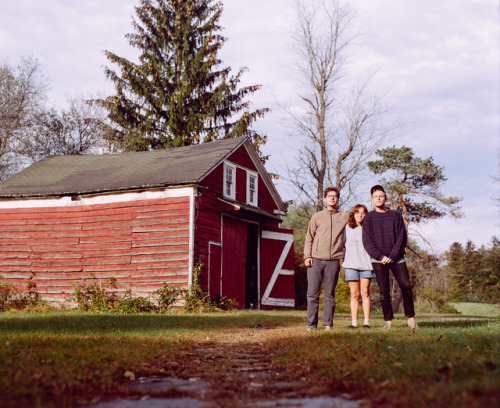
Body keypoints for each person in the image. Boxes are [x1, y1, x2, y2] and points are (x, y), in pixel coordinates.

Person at [362, 185, 418, 331]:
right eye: (376, 197)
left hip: (397, 258)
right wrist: (380, 256)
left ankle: (411, 319)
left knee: (406, 286)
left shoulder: (395, 215)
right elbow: (367, 241)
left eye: (381, 196)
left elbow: (402, 237)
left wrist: (392, 255)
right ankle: (388, 321)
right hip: (378, 260)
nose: (379, 198)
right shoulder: (368, 218)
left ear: (385, 198)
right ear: (372, 200)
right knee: (384, 291)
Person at [304, 187, 348, 330]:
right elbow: (309, 237)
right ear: (325, 199)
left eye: (335, 196)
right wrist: (307, 256)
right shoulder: (317, 217)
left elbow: (362, 218)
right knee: (312, 294)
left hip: (334, 261)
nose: (332, 198)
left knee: (330, 295)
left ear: (338, 199)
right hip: (315, 260)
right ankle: (311, 325)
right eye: (329, 196)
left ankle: (328, 324)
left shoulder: (344, 216)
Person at [342, 204, 375, 329]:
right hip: (351, 265)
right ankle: (354, 322)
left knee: (365, 293)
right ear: (353, 214)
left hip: (366, 264)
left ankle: (366, 322)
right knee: (354, 294)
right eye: (357, 212)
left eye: (363, 213)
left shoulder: (369, 228)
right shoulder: (347, 227)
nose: (360, 215)